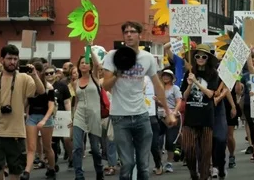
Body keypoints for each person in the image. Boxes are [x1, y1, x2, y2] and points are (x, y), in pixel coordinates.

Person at [102, 21, 175, 180]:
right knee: (127, 164)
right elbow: (106, 86)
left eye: (132, 31)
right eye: (126, 32)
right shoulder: (112, 56)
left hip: (142, 116)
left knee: (143, 164)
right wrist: (118, 73)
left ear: (139, 35)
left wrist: (168, 112)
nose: (129, 34)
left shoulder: (147, 58)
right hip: (120, 117)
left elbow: (157, 85)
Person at [0, 44, 45, 180]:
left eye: (15, 59)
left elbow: (41, 91)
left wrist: (35, 75)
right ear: (2, 60)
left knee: (15, 169)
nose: (12, 62)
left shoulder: (25, 78)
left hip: (16, 131)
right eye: (9, 58)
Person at [180, 44, 219, 180]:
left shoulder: (213, 74)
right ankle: (192, 172)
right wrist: (190, 84)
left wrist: (196, 82)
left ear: (208, 58)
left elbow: (210, 94)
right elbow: (184, 96)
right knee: (188, 150)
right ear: (194, 58)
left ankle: (204, 177)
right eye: (198, 56)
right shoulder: (189, 73)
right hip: (190, 118)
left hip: (206, 118)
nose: (200, 58)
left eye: (204, 56)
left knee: (205, 153)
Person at [71, 47, 104, 180]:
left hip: (94, 115)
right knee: (77, 147)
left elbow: (98, 64)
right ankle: (79, 176)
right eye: (81, 63)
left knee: (95, 149)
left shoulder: (95, 77)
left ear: (90, 66)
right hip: (79, 115)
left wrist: (89, 48)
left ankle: (99, 171)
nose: (84, 64)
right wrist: (72, 117)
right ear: (78, 66)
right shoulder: (75, 83)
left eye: (86, 62)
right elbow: (76, 101)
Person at [21, 61, 56, 180]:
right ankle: (27, 172)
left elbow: (51, 106)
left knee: (47, 147)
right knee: (31, 147)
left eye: (35, 71)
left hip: (45, 116)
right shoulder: (29, 85)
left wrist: (44, 120)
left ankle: (51, 168)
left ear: (40, 72)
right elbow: (25, 102)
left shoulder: (48, 87)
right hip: (32, 117)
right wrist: (22, 112)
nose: (32, 74)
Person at [157, 69, 182, 173]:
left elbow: (179, 101)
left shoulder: (175, 88)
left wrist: (174, 112)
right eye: (164, 75)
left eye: (168, 76)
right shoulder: (157, 88)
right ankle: (158, 163)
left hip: (171, 116)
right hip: (158, 116)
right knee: (157, 141)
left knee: (170, 141)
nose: (165, 77)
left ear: (172, 78)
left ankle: (169, 163)